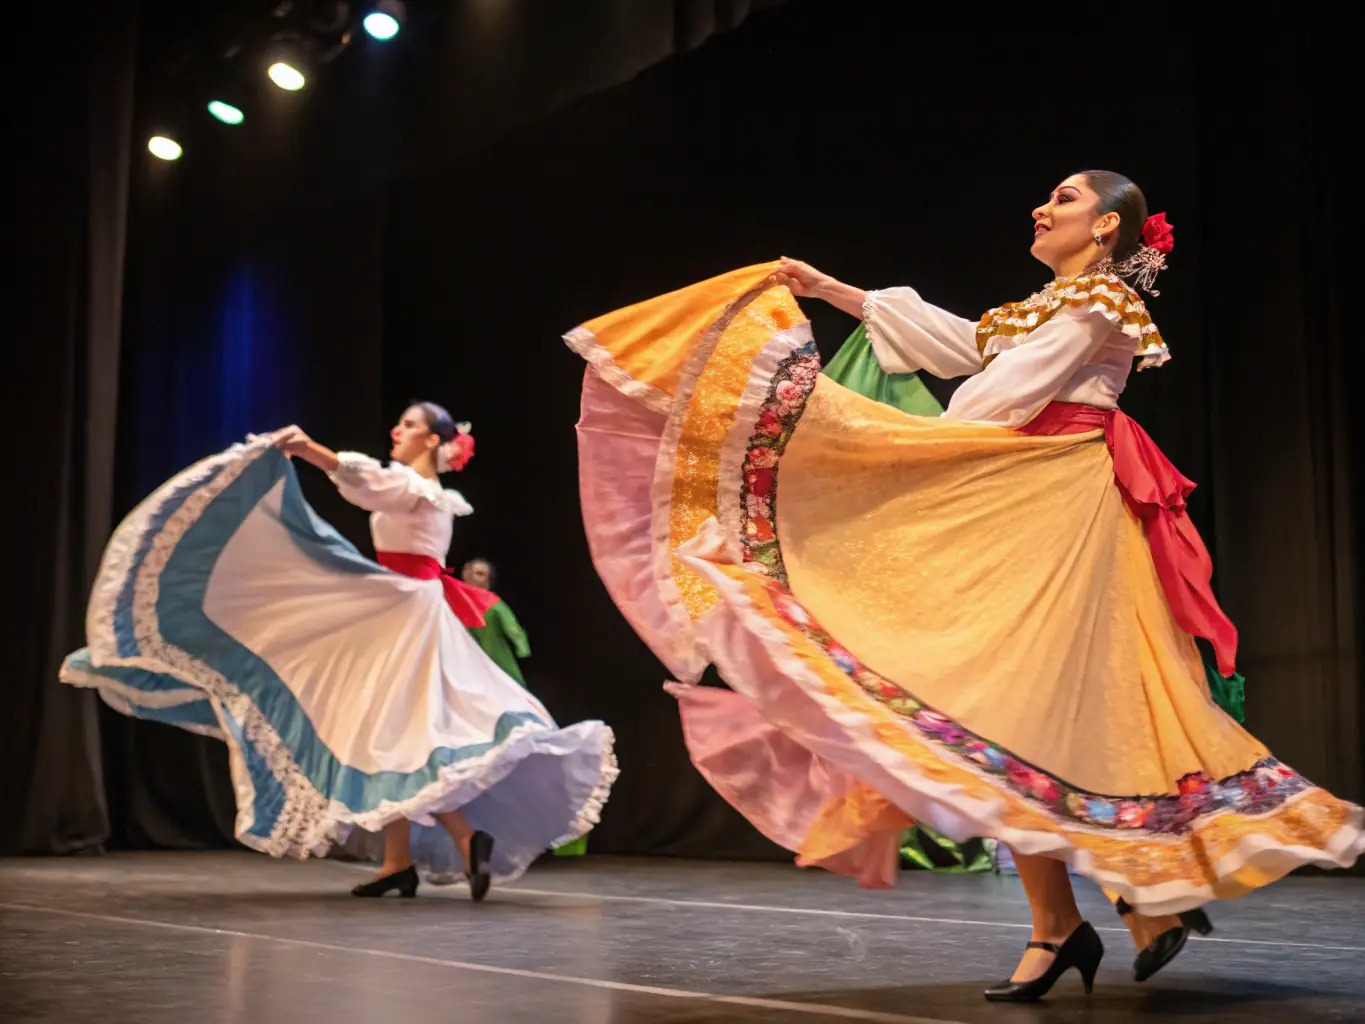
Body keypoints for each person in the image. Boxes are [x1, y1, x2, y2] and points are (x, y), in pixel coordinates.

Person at [564, 171, 1362, 1002]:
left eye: (1063, 199)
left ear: (1104, 229)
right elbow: (963, 346)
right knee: (1005, 717)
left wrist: (899, 451)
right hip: (1027, 492)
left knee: (1034, 709)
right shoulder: (1042, 308)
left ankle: (1120, 902)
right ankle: (1084, 916)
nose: (1040, 207)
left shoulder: (1101, 305)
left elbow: (1005, 393)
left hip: (1059, 500)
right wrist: (830, 290)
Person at [61, 402, 617, 902]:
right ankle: (406, 860)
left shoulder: (419, 489)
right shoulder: (426, 492)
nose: (396, 430)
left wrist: (310, 451)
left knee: (395, 731)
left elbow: (370, 484)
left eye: (409, 425)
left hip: (405, 612)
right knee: (392, 736)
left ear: (431, 441)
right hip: (403, 605)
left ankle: (453, 843)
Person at [460, 558, 532, 686]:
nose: (473, 577)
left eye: (480, 574)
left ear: (488, 581)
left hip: (494, 656)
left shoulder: (493, 604)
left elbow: (513, 628)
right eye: (470, 571)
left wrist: (522, 647)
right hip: (466, 660)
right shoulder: (457, 600)